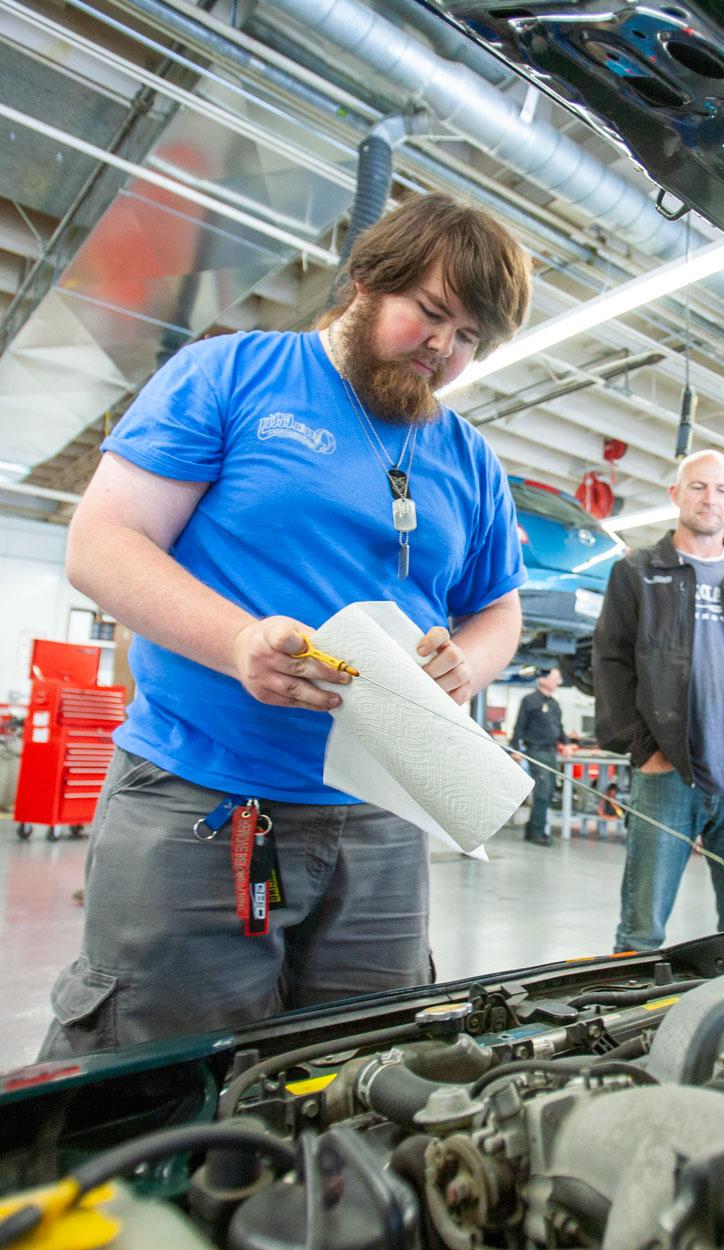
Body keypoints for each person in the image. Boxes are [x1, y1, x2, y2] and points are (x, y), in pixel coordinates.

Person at [40, 193, 533, 1057]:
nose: (444, 350)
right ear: (366, 280)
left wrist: (470, 665)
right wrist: (237, 644)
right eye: (431, 314)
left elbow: (497, 607)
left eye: (469, 340)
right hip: (201, 802)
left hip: (382, 818)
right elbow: (104, 543)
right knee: (158, 1084)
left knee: (359, 1080)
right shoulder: (231, 374)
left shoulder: (468, 459)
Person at [593, 449, 724, 951]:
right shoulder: (639, 573)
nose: (710, 498)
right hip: (669, 779)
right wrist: (643, 749)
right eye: (698, 487)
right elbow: (611, 661)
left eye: (722, 489)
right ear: (676, 495)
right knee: (641, 930)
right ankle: (633, 1017)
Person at [510, 669, 572, 845]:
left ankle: (532, 829)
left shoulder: (554, 704)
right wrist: (515, 749)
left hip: (551, 751)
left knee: (549, 791)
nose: (558, 682)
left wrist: (566, 743)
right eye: (555, 678)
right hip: (536, 750)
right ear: (542, 679)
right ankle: (538, 832)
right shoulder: (529, 700)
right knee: (543, 791)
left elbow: (559, 727)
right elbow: (519, 727)